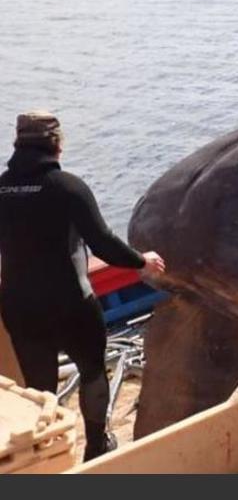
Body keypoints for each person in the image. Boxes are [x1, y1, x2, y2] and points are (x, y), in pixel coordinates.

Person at [0, 111, 165, 461]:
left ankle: (45, 453)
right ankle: (96, 445)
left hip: (20, 306)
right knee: (92, 371)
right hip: (72, 303)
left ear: (18, 144)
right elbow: (103, 243)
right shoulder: (69, 188)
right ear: (57, 145)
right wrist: (143, 261)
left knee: (39, 387)